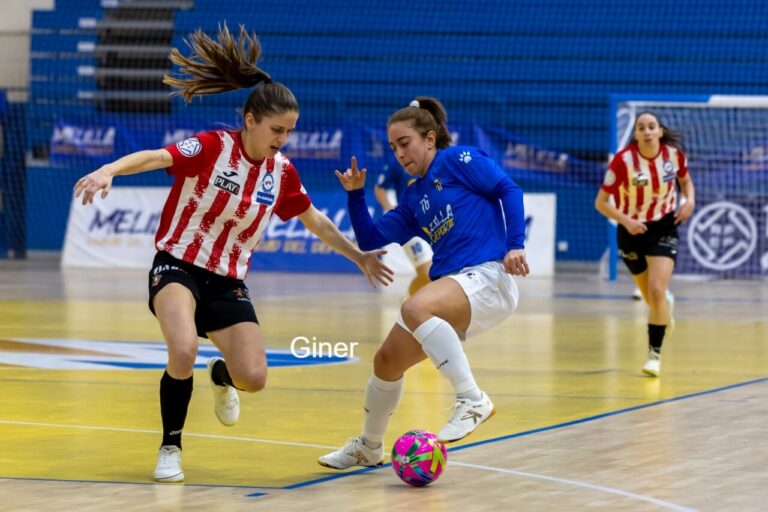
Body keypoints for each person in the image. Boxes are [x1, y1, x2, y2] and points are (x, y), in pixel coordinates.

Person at [73, 25, 393, 483]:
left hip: (227, 280)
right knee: (181, 350)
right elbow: (154, 157)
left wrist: (359, 256)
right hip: (177, 265)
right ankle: (171, 446)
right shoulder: (210, 147)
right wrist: (109, 170)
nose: (283, 138)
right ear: (250, 120)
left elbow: (315, 220)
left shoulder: (281, 173)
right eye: (277, 129)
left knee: (255, 378)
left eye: (290, 131)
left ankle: (221, 374)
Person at [318, 97, 529, 470]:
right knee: (385, 361)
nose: (399, 153)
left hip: (490, 276)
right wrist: (355, 195)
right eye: (393, 147)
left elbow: (508, 190)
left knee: (415, 305)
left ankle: (471, 399)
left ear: (430, 139)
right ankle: (368, 446)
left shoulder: (459, 160)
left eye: (405, 143)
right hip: (458, 285)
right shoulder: (414, 197)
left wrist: (515, 245)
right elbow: (369, 239)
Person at [595, 111, 695, 377]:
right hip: (631, 231)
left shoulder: (673, 157)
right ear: (636, 134)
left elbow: (686, 183)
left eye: (652, 127)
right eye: (641, 127)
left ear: (660, 131)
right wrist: (626, 221)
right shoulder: (623, 161)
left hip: (663, 227)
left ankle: (654, 356)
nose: (647, 131)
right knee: (652, 298)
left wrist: (690, 201)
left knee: (657, 288)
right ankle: (664, 308)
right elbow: (601, 203)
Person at [373, 157, 432, 295]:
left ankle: (409, 303)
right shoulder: (397, 162)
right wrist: (389, 209)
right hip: (409, 226)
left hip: (430, 223)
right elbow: (379, 188)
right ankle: (409, 306)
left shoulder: (434, 159)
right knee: (427, 272)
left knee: (433, 274)